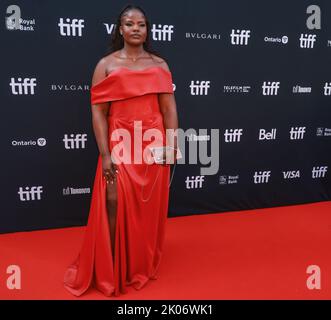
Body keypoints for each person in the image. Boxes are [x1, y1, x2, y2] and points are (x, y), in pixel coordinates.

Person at [63, 4, 179, 297]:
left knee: (147, 206)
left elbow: (169, 110)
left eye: (141, 24)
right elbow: (98, 113)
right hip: (120, 142)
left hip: (152, 144)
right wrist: (105, 154)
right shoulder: (106, 65)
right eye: (130, 23)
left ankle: (138, 262)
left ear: (147, 29)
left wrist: (171, 145)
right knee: (114, 200)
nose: (136, 28)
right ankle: (112, 266)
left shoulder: (160, 65)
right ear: (120, 29)